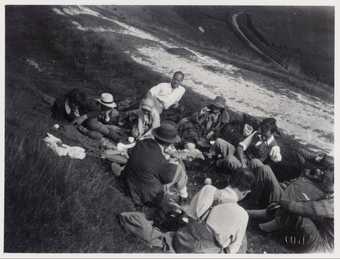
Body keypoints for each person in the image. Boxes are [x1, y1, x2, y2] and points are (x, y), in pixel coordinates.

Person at [248, 149, 334, 253]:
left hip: (320, 245)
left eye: (328, 171)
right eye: (325, 169)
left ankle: (265, 226)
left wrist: (281, 204)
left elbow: (304, 209)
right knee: (258, 164)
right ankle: (253, 210)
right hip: (284, 208)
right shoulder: (321, 186)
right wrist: (317, 159)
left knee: (297, 211)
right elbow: (299, 152)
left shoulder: (330, 200)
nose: (323, 171)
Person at [171, 168, 255, 253]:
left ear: (229, 180)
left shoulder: (207, 189)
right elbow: (232, 250)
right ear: (246, 192)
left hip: (183, 240)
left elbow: (189, 214)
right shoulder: (242, 215)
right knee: (242, 239)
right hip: (203, 252)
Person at [122, 122, 189, 208]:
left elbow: (130, 152)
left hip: (127, 182)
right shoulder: (160, 159)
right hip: (148, 196)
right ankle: (183, 196)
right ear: (169, 143)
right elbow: (167, 178)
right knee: (179, 169)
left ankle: (183, 195)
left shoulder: (142, 143)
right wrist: (173, 162)